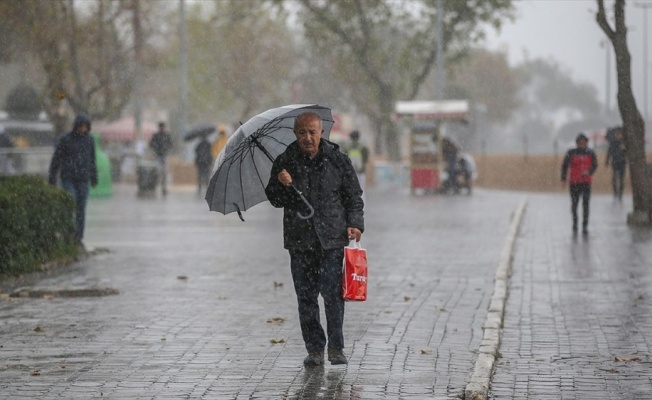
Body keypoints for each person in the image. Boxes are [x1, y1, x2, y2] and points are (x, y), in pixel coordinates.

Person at [265, 112, 364, 367]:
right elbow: (275, 199)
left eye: (312, 132)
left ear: (321, 132)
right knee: (306, 297)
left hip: (332, 239)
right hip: (300, 241)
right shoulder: (285, 162)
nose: (307, 138)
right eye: (302, 133)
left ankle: (336, 347)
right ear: (295, 134)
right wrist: (281, 184)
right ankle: (315, 349)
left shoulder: (338, 160)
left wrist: (355, 223)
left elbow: (353, 195)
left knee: (333, 295)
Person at [48, 114, 98, 243]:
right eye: (81, 126)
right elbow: (56, 159)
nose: (83, 129)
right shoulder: (65, 139)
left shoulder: (89, 140)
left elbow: (92, 159)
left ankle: (78, 236)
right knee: (71, 202)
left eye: (85, 126)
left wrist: (93, 177)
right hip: (68, 177)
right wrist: (52, 177)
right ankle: (68, 233)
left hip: (83, 179)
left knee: (81, 208)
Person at [561, 133, 598, 234]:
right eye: (580, 142)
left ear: (586, 142)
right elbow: (565, 165)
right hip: (574, 182)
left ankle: (585, 225)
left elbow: (595, 165)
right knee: (574, 205)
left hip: (586, 182)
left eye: (583, 142)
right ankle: (575, 224)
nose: (582, 144)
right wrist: (563, 179)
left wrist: (589, 171)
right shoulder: (571, 152)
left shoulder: (590, 152)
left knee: (585, 205)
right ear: (577, 143)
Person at [149, 121, 173, 196]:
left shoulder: (166, 135)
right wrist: (157, 147)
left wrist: (166, 147)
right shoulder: (156, 135)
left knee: (164, 173)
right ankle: (155, 185)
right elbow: (151, 144)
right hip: (158, 156)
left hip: (164, 156)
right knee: (157, 172)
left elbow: (171, 144)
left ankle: (163, 187)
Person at [345, 130, 370, 200]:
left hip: (350, 172)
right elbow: (366, 159)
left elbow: (343, 159)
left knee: (350, 190)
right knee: (362, 189)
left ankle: (352, 207)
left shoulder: (347, 147)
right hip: (361, 171)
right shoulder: (363, 147)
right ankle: (362, 207)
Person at [605, 126, 626, 201]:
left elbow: (628, 153)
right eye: (617, 134)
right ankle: (615, 194)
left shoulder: (624, 143)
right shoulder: (612, 143)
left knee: (622, 180)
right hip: (615, 164)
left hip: (622, 164)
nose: (618, 136)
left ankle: (620, 194)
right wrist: (607, 161)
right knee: (614, 179)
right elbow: (609, 153)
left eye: (620, 134)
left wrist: (624, 149)